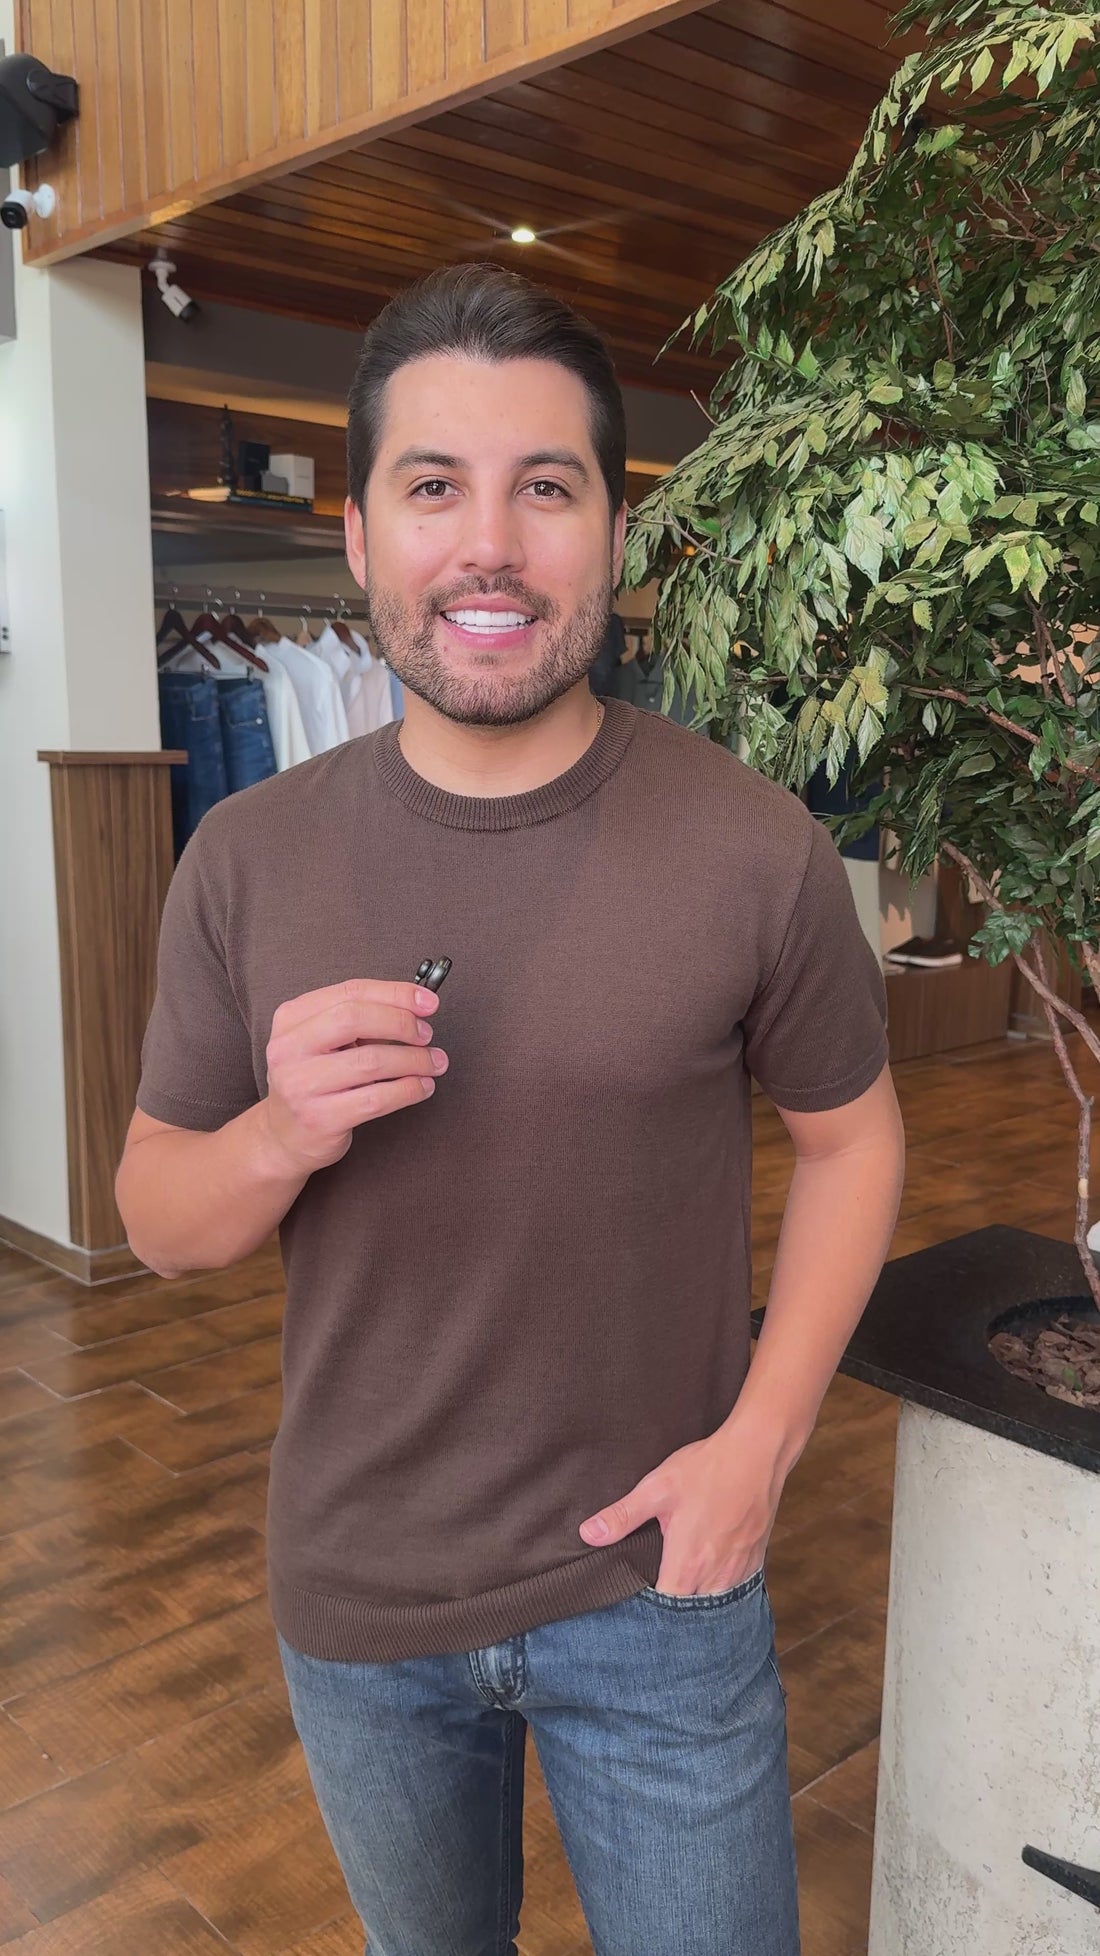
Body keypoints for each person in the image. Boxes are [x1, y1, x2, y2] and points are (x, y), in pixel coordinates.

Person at [116, 263, 906, 1956]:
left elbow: (854, 1138)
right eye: (433, 488)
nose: (490, 545)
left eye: (545, 488)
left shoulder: (756, 848)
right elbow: (161, 1224)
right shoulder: (245, 858)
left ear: (615, 533)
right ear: (358, 537)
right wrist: (276, 1134)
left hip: (662, 1590)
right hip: (362, 1601)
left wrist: (761, 1451)